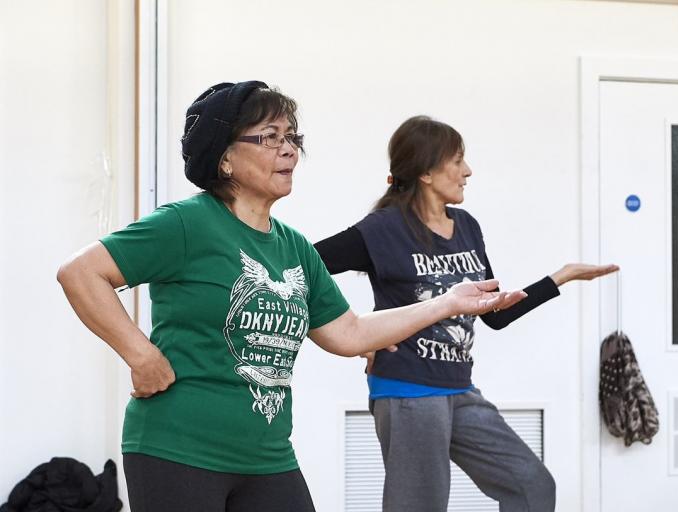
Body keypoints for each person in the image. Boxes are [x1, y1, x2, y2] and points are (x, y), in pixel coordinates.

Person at [56, 83, 526, 512]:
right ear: (224, 158)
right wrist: (140, 354)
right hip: (178, 448)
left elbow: (350, 332)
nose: (289, 151)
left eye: (292, 137)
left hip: (267, 455)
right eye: (269, 137)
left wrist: (447, 303)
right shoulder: (186, 223)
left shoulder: (293, 246)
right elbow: (81, 274)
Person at [315, 115, 619, 512]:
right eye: (457, 160)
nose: (467, 171)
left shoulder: (467, 227)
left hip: (459, 390)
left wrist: (560, 278)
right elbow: (300, 266)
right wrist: (356, 334)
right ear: (425, 170)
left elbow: (493, 313)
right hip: (408, 393)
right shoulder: (382, 230)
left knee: (532, 486)